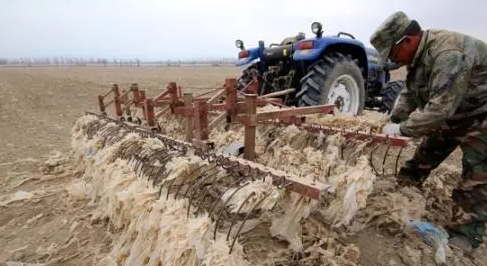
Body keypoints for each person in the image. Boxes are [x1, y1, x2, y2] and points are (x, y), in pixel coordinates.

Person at [369, 11, 487, 254]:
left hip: (481, 114)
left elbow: (439, 109)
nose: (393, 60)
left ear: (408, 40)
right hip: (455, 112)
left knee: (476, 177)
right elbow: (411, 92)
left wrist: (402, 129)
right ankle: (403, 192)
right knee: (422, 159)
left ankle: (465, 235)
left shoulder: (448, 54)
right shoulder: (420, 56)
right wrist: (394, 118)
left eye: (392, 53)